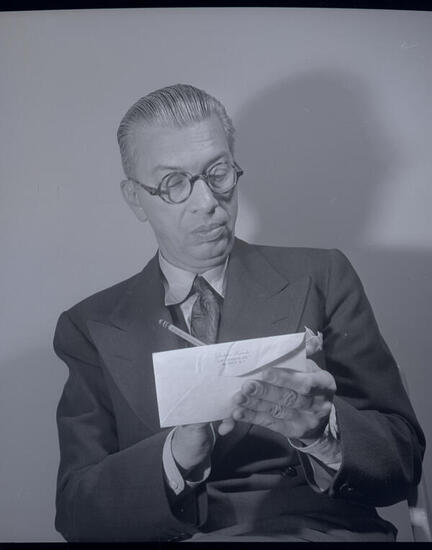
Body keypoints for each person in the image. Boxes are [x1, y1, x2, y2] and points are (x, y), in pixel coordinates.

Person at [53, 84, 425, 542]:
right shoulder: (90, 326)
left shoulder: (322, 275)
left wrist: (323, 432)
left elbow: (402, 460)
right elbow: (77, 513)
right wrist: (176, 458)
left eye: (219, 173)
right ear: (135, 198)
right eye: (173, 184)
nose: (208, 202)